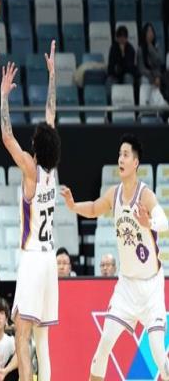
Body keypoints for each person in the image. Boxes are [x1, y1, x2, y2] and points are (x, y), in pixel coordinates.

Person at [61, 133, 169, 380]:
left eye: (126, 155)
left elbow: (164, 221)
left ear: (135, 163)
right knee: (104, 344)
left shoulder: (145, 195)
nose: (120, 159)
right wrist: (74, 206)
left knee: (158, 354)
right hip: (126, 287)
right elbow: (94, 208)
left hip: (151, 289)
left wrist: (149, 222)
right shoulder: (114, 194)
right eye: (119, 154)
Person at [0, 40, 60, 381]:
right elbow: (51, 114)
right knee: (43, 340)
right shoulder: (52, 170)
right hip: (50, 259)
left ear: (35, 145)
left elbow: (7, 137)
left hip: (34, 258)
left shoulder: (31, 170)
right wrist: (52, 76)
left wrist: (4, 97)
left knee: (21, 334)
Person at [138, 22, 167, 108]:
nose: (150, 34)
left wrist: (150, 46)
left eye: (152, 31)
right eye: (148, 31)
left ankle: (160, 106)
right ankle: (146, 105)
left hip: (157, 77)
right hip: (147, 76)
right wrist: (153, 77)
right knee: (145, 80)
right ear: (144, 34)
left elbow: (159, 62)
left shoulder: (157, 47)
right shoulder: (140, 50)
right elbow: (141, 68)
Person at [106, 25, 137, 89]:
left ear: (126, 38)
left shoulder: (130, 49)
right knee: (109, 81)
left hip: (127, 74)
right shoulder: (113, 48)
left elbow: (130, 67)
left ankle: (128, 95)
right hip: (115, 75)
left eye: (124, 37)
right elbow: (111, 66)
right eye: (120, 37)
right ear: (117, 38)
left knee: (128, 78)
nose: (122, 39)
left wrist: (123, 54)